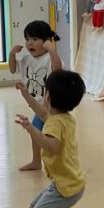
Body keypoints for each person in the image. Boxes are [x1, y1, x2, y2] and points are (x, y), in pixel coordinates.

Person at [14, 70, 86, 208]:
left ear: (49, 96)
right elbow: (43, 114)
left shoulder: (55, 123)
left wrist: (32, 130)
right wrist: (26, 95)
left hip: (66, 187)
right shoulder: (64, 118)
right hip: (70, 181)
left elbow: (52, 146)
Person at [9, 20, 62, 171]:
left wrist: (52, 50)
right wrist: (12, 54)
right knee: (36, 133)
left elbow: (58, 69)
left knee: (51, 136)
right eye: (27, 39)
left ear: (46, 41)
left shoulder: (49, 58)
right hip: (38, 107)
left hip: (53, 108)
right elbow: (12, 69)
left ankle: (58, 162)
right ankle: (36, 162)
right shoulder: (27, 59)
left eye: (35, 39)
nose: (30, 43)